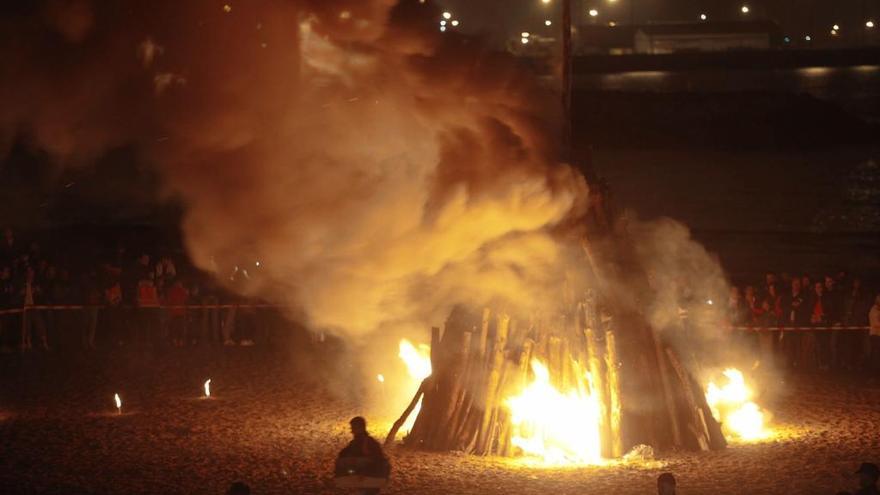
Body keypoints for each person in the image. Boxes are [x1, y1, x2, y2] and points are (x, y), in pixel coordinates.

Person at [336, 416, 390, 494]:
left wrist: (363, 471)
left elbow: (378, 461)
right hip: (363, 478)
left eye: (353, 428)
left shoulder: (369, 443)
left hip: (370, 478)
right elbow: (342, 454)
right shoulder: (355, 443)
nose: (352, 431)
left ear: (360, 428)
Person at [870, 295, 880, 374]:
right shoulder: (873, 310)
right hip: (875, 335)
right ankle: (874, 371)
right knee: (876, 354)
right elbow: (875, 323)